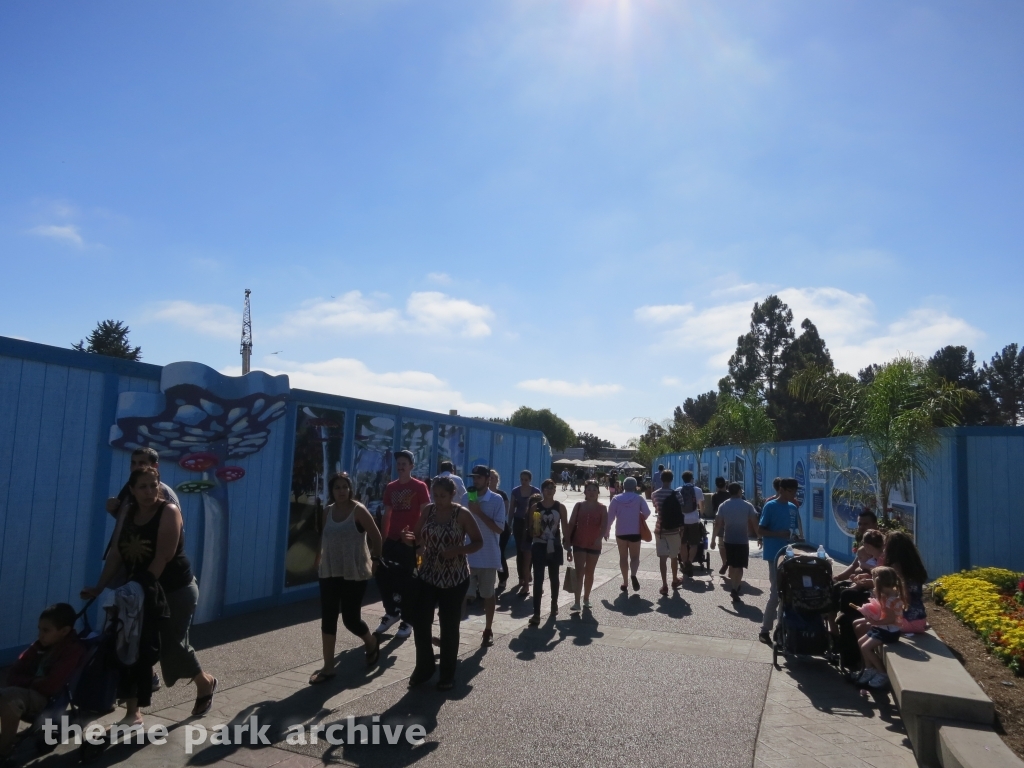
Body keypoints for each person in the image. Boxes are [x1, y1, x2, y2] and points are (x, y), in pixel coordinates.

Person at [82, 466, 217, 723]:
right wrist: (99, 587)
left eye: (153, 485)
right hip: (140, 590)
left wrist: (138, 588)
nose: (149, 491)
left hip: (175, 590)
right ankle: (133, 713)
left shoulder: (169, 511)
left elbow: (162, 556)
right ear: (131, 490)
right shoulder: (128, 512)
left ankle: (205, 682)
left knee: (171, 646)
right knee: (132, 646)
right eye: (142, 486)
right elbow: (117, 553)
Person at [103, 447, 179, 693]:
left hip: (160, 577)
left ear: (155, 468)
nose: (136, 466)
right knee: (131, 631)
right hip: (135, 569)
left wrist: (143, 585)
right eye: (133, 462)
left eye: (142, 462)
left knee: (172, 645)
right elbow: (130, 531)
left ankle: (201, 681)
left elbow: (167, 542)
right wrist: (116, 511)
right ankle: (134, 687)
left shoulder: (164, 496)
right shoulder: (129, 490)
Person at [404, 476, 482, 691]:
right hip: (428, 574)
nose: (438, 500)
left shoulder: (462, 514)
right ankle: (424, 668)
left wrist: (457, 550)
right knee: (421, 622)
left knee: (448, 626)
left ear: (452, 495)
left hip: (455, 578)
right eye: (435, 495)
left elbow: (478, 542)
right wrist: (408, 539)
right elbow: (417, 536)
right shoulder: (429, 510)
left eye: (443, 496)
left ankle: (447, 674)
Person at [309, 472, 384, 685]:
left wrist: (376, 560)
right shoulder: (327, 512)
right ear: (332, 492)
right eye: (337, 488)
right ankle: (328, 667)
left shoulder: (358, 510)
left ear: (350, 489)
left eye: (344, 487)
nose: (341, 491)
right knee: (328, 616)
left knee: (351, 619)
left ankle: (371, 642)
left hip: (354, 571)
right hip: (330, 570)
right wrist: (318, 559)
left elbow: (377, 537)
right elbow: (323, 536)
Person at [0, 603, 85, 761]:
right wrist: (33, 681)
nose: (40, 635)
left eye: (46, 630)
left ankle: (4, 749)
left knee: (8, 697)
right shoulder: (40, 646)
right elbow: (13, 673)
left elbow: (51, 685)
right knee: (7, 693)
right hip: (30, 691)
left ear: (64, 631)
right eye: (39, 629)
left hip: (46, 700)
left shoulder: (71, 651)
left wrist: (26, 681)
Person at [374, 451, 430, 639]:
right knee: (384, 576)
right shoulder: (391, 487)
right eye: (398, 463)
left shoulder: (420, 487)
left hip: (411, 541)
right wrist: (382, 541)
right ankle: (392, 612)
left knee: (410, 583)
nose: (400, 466)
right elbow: (387, 515)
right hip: (392, 540)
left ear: (411, 466)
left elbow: (425, 514)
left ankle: (408, 620)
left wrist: (421, 542)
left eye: (404, 463)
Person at [465, 466, 507, 647]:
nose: (475, 481)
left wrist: (478, 512)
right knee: (462, 595)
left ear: (487, 479)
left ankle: (488, 629)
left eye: (479, 478)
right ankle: (452, 632)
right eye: (473, 477)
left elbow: (499, 528)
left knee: (488, 595)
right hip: (467, 556)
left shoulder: (496, 499)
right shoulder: (466, 497)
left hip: (489, 557)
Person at [757, 477, 798, 645]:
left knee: (788, 595)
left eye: (795, 491)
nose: (794, 494)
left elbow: (795, 529)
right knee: (775, 593)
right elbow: (760, 530)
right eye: (791, 491)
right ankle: (765, 629)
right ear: (782, 490)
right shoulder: (770, 506)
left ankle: (781, 629)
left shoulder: (793, 508)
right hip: (774, 555)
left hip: (789, 555)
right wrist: (778, 534)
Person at [852, 566, 905, 689]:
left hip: (889, 632)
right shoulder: (889, 595)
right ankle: (870, 669)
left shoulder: (890, 600)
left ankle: (881, 672)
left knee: (865, 647)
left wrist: (874, 621)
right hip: (883, 628)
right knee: (861, 642)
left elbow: (891, 619)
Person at [527, 480, 569, 626]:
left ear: (555, 490)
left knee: (554, 577)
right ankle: (536, 613)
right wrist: (534, 530)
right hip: (539, 545)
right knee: (538, 579)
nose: (549, 490)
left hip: (554, 545)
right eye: (546, 488)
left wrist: (567, 546)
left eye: (552, 488)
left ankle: (553, 604)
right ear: (542, 490)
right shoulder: (535, 507)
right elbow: (530, 529)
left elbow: (565, 528)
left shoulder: (560, 507)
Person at [711, 483, 759, 602]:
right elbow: (755, 522)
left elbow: (717, 524)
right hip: (742, 540)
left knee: (732, 564)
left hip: (728, 539)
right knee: (740, 566)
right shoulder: (747, 505)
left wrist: (712, 539)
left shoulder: (724, 505)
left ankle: (734, 585)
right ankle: (735, 587)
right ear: (738, 491)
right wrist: (760, 537)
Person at [565, 479, 607, 610]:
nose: (592, 492)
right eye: (589, 490)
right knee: (579, 572)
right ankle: (577, 602)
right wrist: (567, 541)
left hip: (594, 544)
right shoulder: (579, 506)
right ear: (585, 492)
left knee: (590, 572)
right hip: (579, 542)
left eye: (594, 490)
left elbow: (604, 526)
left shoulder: (602, 508)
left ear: (598, 492)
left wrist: (599, 538)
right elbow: (571, 524)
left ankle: (586, 598)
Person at [605, 476, 652, 593]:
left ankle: (625, 582)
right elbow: (647, 512)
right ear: (635, 487)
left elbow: (609, 517)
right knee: (635, 557)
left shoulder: (616, 499)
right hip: (635, 531)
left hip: (620, 532)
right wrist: (640, 517)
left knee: (623, 557)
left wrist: (606, 531)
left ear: (622, 486)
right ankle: (633, 574)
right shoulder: (639, 498)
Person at [882, 531, 928, 635]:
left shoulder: (896, 568)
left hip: (907, 621)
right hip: (920, 620)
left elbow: (905, 598)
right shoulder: (915, 567)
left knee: (867, 623)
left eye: (886, 545)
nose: (884, 549)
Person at [651, 470, 683, 595]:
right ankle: (674, 579)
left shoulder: (655, 494)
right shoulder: (677, 494)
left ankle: (664, 585)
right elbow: (681, 508)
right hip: (674, 530)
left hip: (660, 529)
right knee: (674, 556)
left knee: (662, 558)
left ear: (661, 479)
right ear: (672, 479)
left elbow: (656, 507)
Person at [510, 470, 541, 596]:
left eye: (526, 480)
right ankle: (521, 577)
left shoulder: (535, 491)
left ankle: (528, 574)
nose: (523, 482)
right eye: (522, 479)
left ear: (530, 480)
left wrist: (538, 526)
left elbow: (539, 509)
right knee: (520, 550)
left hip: (532, 523)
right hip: (518, 522)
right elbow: (512, 508)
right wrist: (509, 523)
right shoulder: (515, 491)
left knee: (530, 551)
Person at [677, 471, 705, 579]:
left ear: (683, 479)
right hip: (693, 520)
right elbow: (701, 506)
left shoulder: (678, 490)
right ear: (692, 479)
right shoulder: (697, 490)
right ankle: (689, 562)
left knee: (682, 543)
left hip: (682, 521)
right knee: (694, 543)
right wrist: (701, 514)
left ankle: (685, 564)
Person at [489, 470, 511, 590]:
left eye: (493, 478)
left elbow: (505, 512)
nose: (491, 480)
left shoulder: (501, 495)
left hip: (500, 529)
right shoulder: (479, 494)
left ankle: (503, 577)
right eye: (489, 477)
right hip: (484, 529)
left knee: (499, 552)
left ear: (497, 480)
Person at [709, 477, 730, 575]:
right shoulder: (731, 495)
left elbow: (714, 511)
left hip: (719, 522)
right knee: (731, 545)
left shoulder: (715, 496)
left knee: (721, 545)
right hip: (731, 522)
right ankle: (731, 567)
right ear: (725, 484)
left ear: (716, 485)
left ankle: (724, 562)